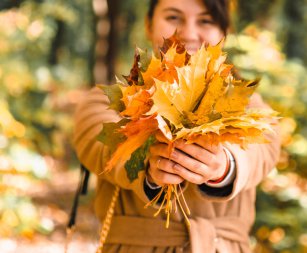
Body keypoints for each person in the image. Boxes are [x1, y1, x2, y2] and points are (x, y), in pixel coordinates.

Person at [72, 0, 281, 252]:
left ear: (224, 30)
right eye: (173, 17)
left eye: (205, 20)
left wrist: (225, 166)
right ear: (149, 25)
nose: (189, 33)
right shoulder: (110, 101)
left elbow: (262, 148)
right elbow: (98, 144)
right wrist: (148, 166)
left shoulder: (246, 105)